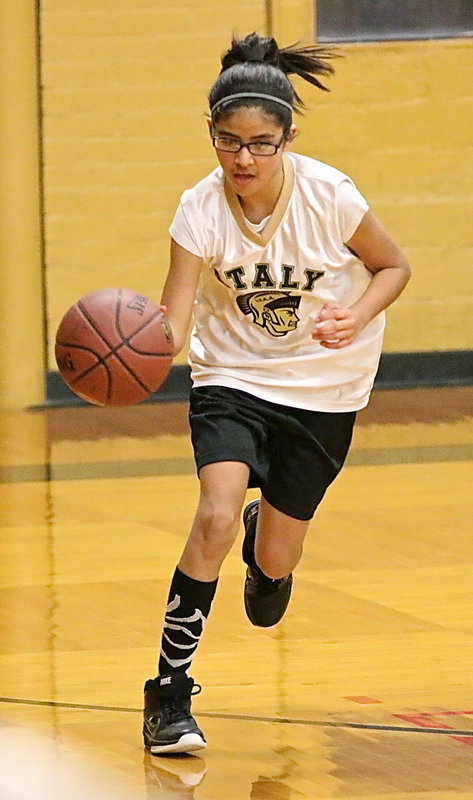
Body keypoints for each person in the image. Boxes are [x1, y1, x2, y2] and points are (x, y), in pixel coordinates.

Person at [143, 31, 411, 755]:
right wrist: (130, 347)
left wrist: (354, 313)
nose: (243, 159)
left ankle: (268, 548)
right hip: (231, 379)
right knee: (214, 515)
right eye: (228, 142)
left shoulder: (331, 195)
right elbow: (172, 319)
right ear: (211, 133)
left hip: (324, 391)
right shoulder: (197, 210)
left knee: (273, 570)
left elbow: (393, 266)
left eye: (260, 143)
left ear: (287, 136)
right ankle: (168, 696)